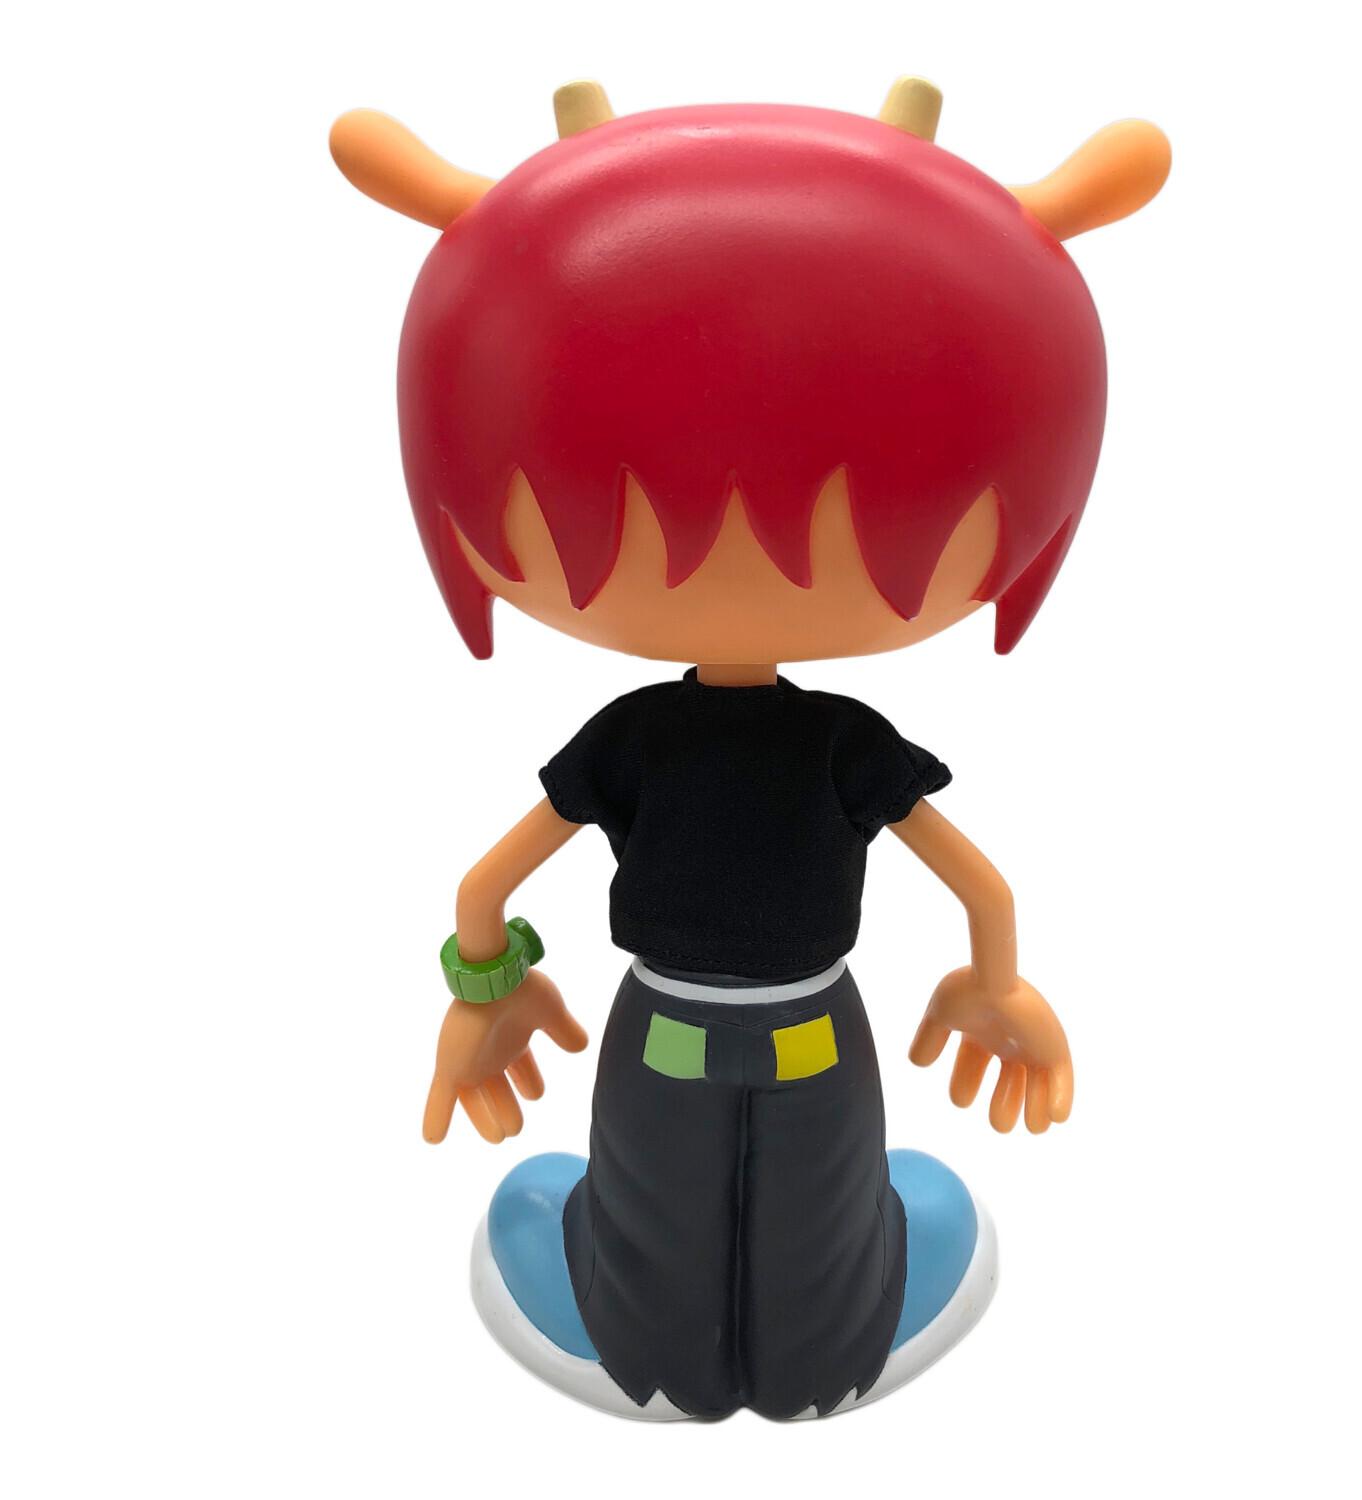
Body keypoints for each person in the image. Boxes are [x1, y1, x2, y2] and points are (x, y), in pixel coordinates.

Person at [329, 76, 1170, 1420]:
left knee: (652, 1202)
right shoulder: (830, 744)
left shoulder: (645, 739)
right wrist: (995, 980)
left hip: (663, 1031)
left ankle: (637, 1345)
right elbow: (983, 886)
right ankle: (831, 1343)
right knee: (828, 1216)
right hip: (813, 1035)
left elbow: (487, 886)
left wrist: (483, 988)